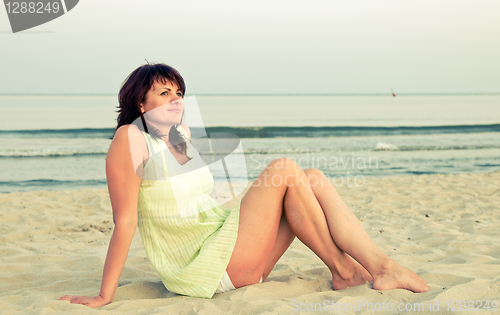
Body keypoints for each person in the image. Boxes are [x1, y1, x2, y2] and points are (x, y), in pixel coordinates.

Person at [59, 63, 430, 308]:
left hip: (225, 245)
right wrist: (105, 295)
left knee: (310, 176)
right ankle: (363, 269)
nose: (176, 99)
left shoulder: (181, 135)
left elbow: (200, 201)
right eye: (164, 93)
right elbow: (126, 221)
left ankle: (359, 269)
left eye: (179, 93)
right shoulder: (129, 139)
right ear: (141, 102)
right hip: (200, 268)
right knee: (284, 169)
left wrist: (250, 205)